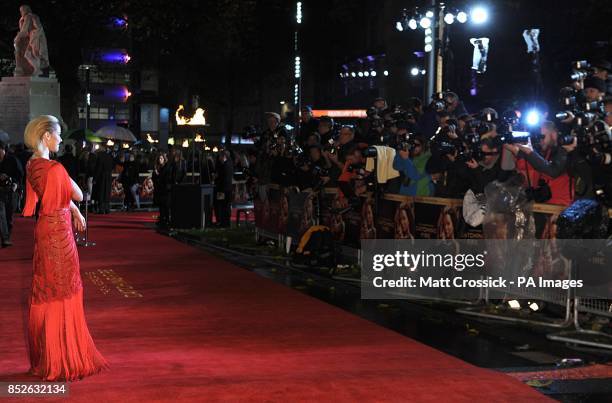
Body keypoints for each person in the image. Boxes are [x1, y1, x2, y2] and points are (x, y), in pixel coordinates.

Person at [22, 115, 108, 381]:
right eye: (58, 134)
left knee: (46, 289)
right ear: (46, 136)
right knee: (64, 290)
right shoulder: (55, 169)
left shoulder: (32, 165)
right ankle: (63, 358)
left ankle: (47, 357)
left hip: (45, 230)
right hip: (59, 234)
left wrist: (74, 212)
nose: (61, 139)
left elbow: (50, 195)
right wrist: (74, 205)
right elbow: (79, 194)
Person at [504, 121, 575, 206]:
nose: (540, 141)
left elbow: (552, 172)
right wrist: (518, 151)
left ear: (553, 134)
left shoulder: (566, 150)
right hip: (545, 206)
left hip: (562, 207)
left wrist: (529, 152)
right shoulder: (546, 151)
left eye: (542, 137)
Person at [0, 141, 24, 246]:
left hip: (11, 190)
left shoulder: (12, 160)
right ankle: (5, 238)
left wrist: (12, 180)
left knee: (9, 215)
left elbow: (20, 175)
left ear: (3, 150)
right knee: (1, 213)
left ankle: (7, 235)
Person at [214, 150, 234, 227]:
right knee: (226, 206)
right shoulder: (230, 164)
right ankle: (226, 222)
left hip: (222, 189)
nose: (219, 158)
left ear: (223, 156)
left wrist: (216, 177)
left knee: (221, 206)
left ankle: (222, 222)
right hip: (228, 189)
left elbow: (221, 178)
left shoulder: (224, 165)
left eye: (220, 157)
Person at [93, 145, 114, 214]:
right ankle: (107, 208)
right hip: (108, 176)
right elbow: (112, 166)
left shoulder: (100, 156)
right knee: (107, 192)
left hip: (101, 176)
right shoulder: (109, 156)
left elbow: (98, 168)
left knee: (101, 192)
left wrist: (95, 178)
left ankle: (101, 209)